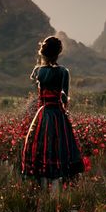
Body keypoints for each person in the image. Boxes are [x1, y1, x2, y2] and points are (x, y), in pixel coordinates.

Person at [21, 36, 84, 192]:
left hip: (42, 114)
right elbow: (64, 98)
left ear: (44, 53)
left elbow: (40, 94)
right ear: (58, 53)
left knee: (40, 147)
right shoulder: (63, 72)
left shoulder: (38, 71)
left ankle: (42, 186)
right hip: (57, 114)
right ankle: (56, 189)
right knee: (60, 147)